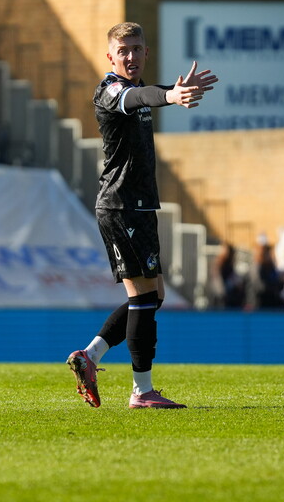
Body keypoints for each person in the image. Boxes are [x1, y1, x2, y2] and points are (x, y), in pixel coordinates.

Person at [66, 22, 218, 410]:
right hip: (120, 206)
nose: (131, 56)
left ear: (146, 52)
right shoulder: (110, 91)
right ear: (110, 57)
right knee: (142, 297)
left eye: (137, 49)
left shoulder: (138, 91)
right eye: (124, 51)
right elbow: (136, 98)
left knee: (154, 296)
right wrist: (169, 95)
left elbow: (146, 95)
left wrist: (174, 92)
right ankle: (141, 390)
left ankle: (91, 356)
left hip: (139, 206)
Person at [213, 242, 245, 309]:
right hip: (222, 302)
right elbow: (219, 288)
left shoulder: (230, 268)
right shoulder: (218, 267)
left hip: (232, 302)